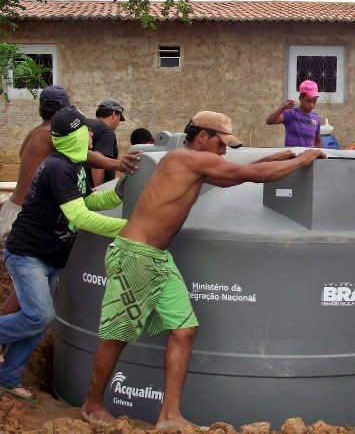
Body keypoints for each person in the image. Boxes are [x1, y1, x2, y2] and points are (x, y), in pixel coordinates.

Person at [80, 111, 326, 430]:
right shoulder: (188, 159)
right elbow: (250, 176)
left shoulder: (189, 161)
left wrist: (278, 155)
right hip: (135, 256)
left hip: (157, 258)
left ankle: (169, 417)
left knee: (184, 331)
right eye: (221, 144)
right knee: (116, 336)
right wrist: (303, 160)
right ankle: (92, 405)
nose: (224, 150)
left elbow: (233, 173)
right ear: (201, 137)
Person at [0, 106, 128, 400]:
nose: (92, 134)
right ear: (75, 135)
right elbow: (80, 217)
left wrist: (119, 192)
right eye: (86, 129)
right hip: (27, 253)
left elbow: (89, 204)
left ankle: (8, 378)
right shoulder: (58, 167)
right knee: (40, 315)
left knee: (37, 323)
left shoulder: (76, 165)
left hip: (50, 256)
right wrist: (131, 227)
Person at [0, 87, 138, 327]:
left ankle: (7, 341)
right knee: (33, 306)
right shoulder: (54, 140)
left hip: (15, 207)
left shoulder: (36, 133)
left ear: (41, 108)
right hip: (33, 217)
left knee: (26, 296)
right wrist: (117, 164)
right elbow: (88, 157)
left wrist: (112, 193)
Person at [266, 80, 322, 147]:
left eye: (314, 101)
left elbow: (318, 141)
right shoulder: (291, 114)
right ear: (300, 99)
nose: (311, 105)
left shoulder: (316, 118)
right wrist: (282, 108)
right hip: (292, 156)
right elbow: (269, 121)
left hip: (307, 156)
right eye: (308, 101)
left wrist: (319, 155)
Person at [86, 98, 126, 187]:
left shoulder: (85, 124)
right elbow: (97, 164)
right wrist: (98, 190)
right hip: (92, 191)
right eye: (119, 118)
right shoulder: (106, 131)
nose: (118, 123)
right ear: (114, 114)